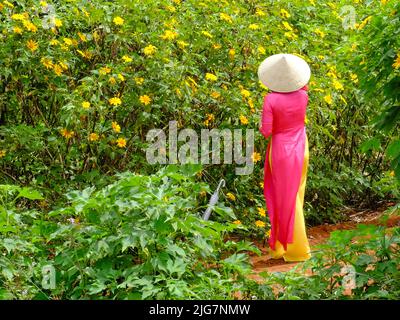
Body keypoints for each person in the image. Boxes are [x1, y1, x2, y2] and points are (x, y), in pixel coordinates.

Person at [257, 53, 312, 262]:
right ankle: (286, 247)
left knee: (286, 198)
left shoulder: (270, 99)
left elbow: (266, 131)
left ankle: (296, 249)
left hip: (281, 150)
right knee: (296, 194)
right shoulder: (303, 96)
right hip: (301, 145)